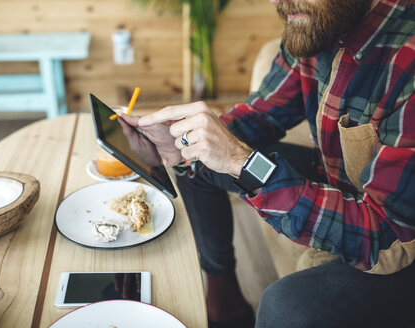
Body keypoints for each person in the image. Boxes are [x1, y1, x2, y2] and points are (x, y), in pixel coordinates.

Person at [123, 0, 415, 326]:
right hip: (343, 181)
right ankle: (225, 300)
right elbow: (262, 112)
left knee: (286, 306)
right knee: (199, 159)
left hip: (397, 237)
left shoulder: (407, 58)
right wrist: (182, 144)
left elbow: (385, 236)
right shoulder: (316, 22)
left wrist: (239, 160)